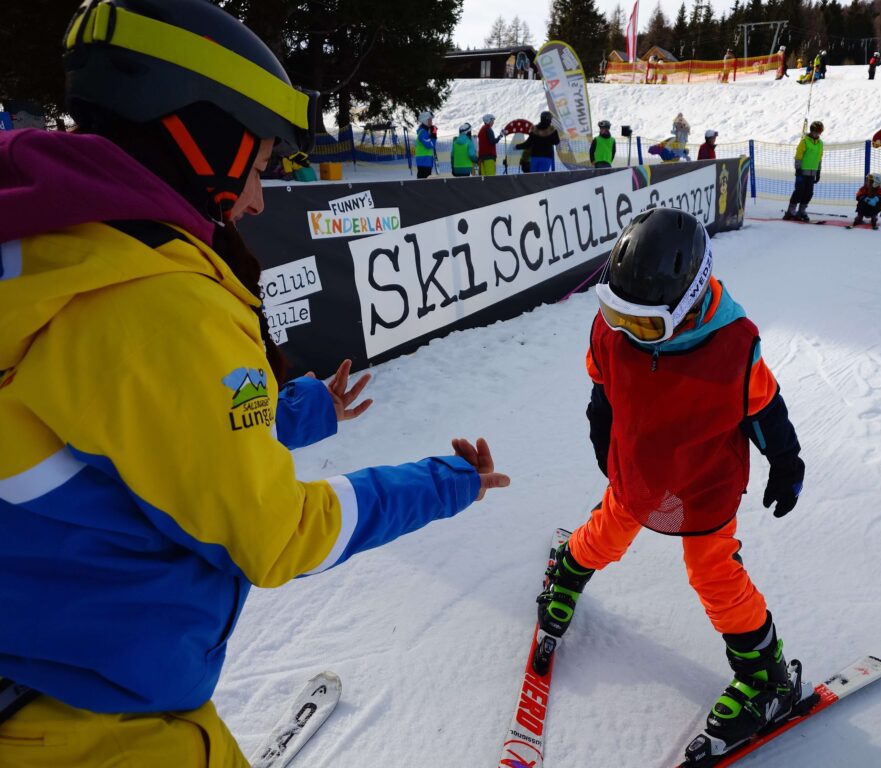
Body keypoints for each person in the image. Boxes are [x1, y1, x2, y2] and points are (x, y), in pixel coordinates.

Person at [0, 1, 510, 765]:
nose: (259, 197)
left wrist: (301, 408)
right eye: (261, 164)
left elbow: (133, 426)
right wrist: (446, 483)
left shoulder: (48, 246)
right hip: (97, 723)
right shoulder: (156, 301)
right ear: (198, 131)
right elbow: (276, 534)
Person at [535, 208, 808, 762]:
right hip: (639, 471)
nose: (628, 331)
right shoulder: (612, 333)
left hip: (704, 480)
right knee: (605, 534)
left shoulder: (732, 347)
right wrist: (601, 419)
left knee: (712, 572)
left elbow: (763, 406)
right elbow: (602, 384)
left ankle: (767, 677)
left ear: (687, 304)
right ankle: (567, 569)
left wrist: (785, 457)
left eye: (644, 324)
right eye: (618, 315)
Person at [785, 120, 824, 221]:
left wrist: (818, 171)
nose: (817, 134)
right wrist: (798, 169)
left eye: (819, 132)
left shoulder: (820, 143)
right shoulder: (804, 141)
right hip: (802, 172)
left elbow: (819, 157)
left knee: (808, 193)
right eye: (816, 131)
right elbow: (798, 156)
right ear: (811, 130)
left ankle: (801, 211)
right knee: (799, 191)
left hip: (812, 173)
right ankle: (790, 211)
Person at [415, 110, 436, 179]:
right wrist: (434, 135)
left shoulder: (425, 131)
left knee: (425, 184)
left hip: (426, 161)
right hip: (423, 162)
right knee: (423, 184)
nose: (431, 122)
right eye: (430, 120)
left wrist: (432, 134)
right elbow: (429, 145)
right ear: (425, 121)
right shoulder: (423, 132)